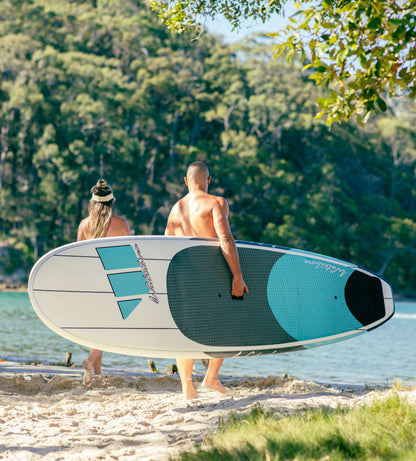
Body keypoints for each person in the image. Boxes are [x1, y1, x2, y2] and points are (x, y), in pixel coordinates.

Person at [165, 161, 248, 400]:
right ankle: (211, 377)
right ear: (208, 180)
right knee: (224, 327)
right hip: (210, 276)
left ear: (186, 181)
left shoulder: (175, 209)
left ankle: (187, 387)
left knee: (185, 331)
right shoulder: (216, 203)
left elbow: (166, 246)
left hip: (183, 278)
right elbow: (225, 239)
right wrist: (237, 275)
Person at [77, 179, 131, 386]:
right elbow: (127, 256)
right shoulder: (121, 224)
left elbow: (78, 257)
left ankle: (95, 377)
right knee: (106, 330)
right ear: (111, 202)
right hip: (112, 281)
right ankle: (90, 362)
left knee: (96, 330)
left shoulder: (84, 224)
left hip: (90, 283)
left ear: (93, 202)